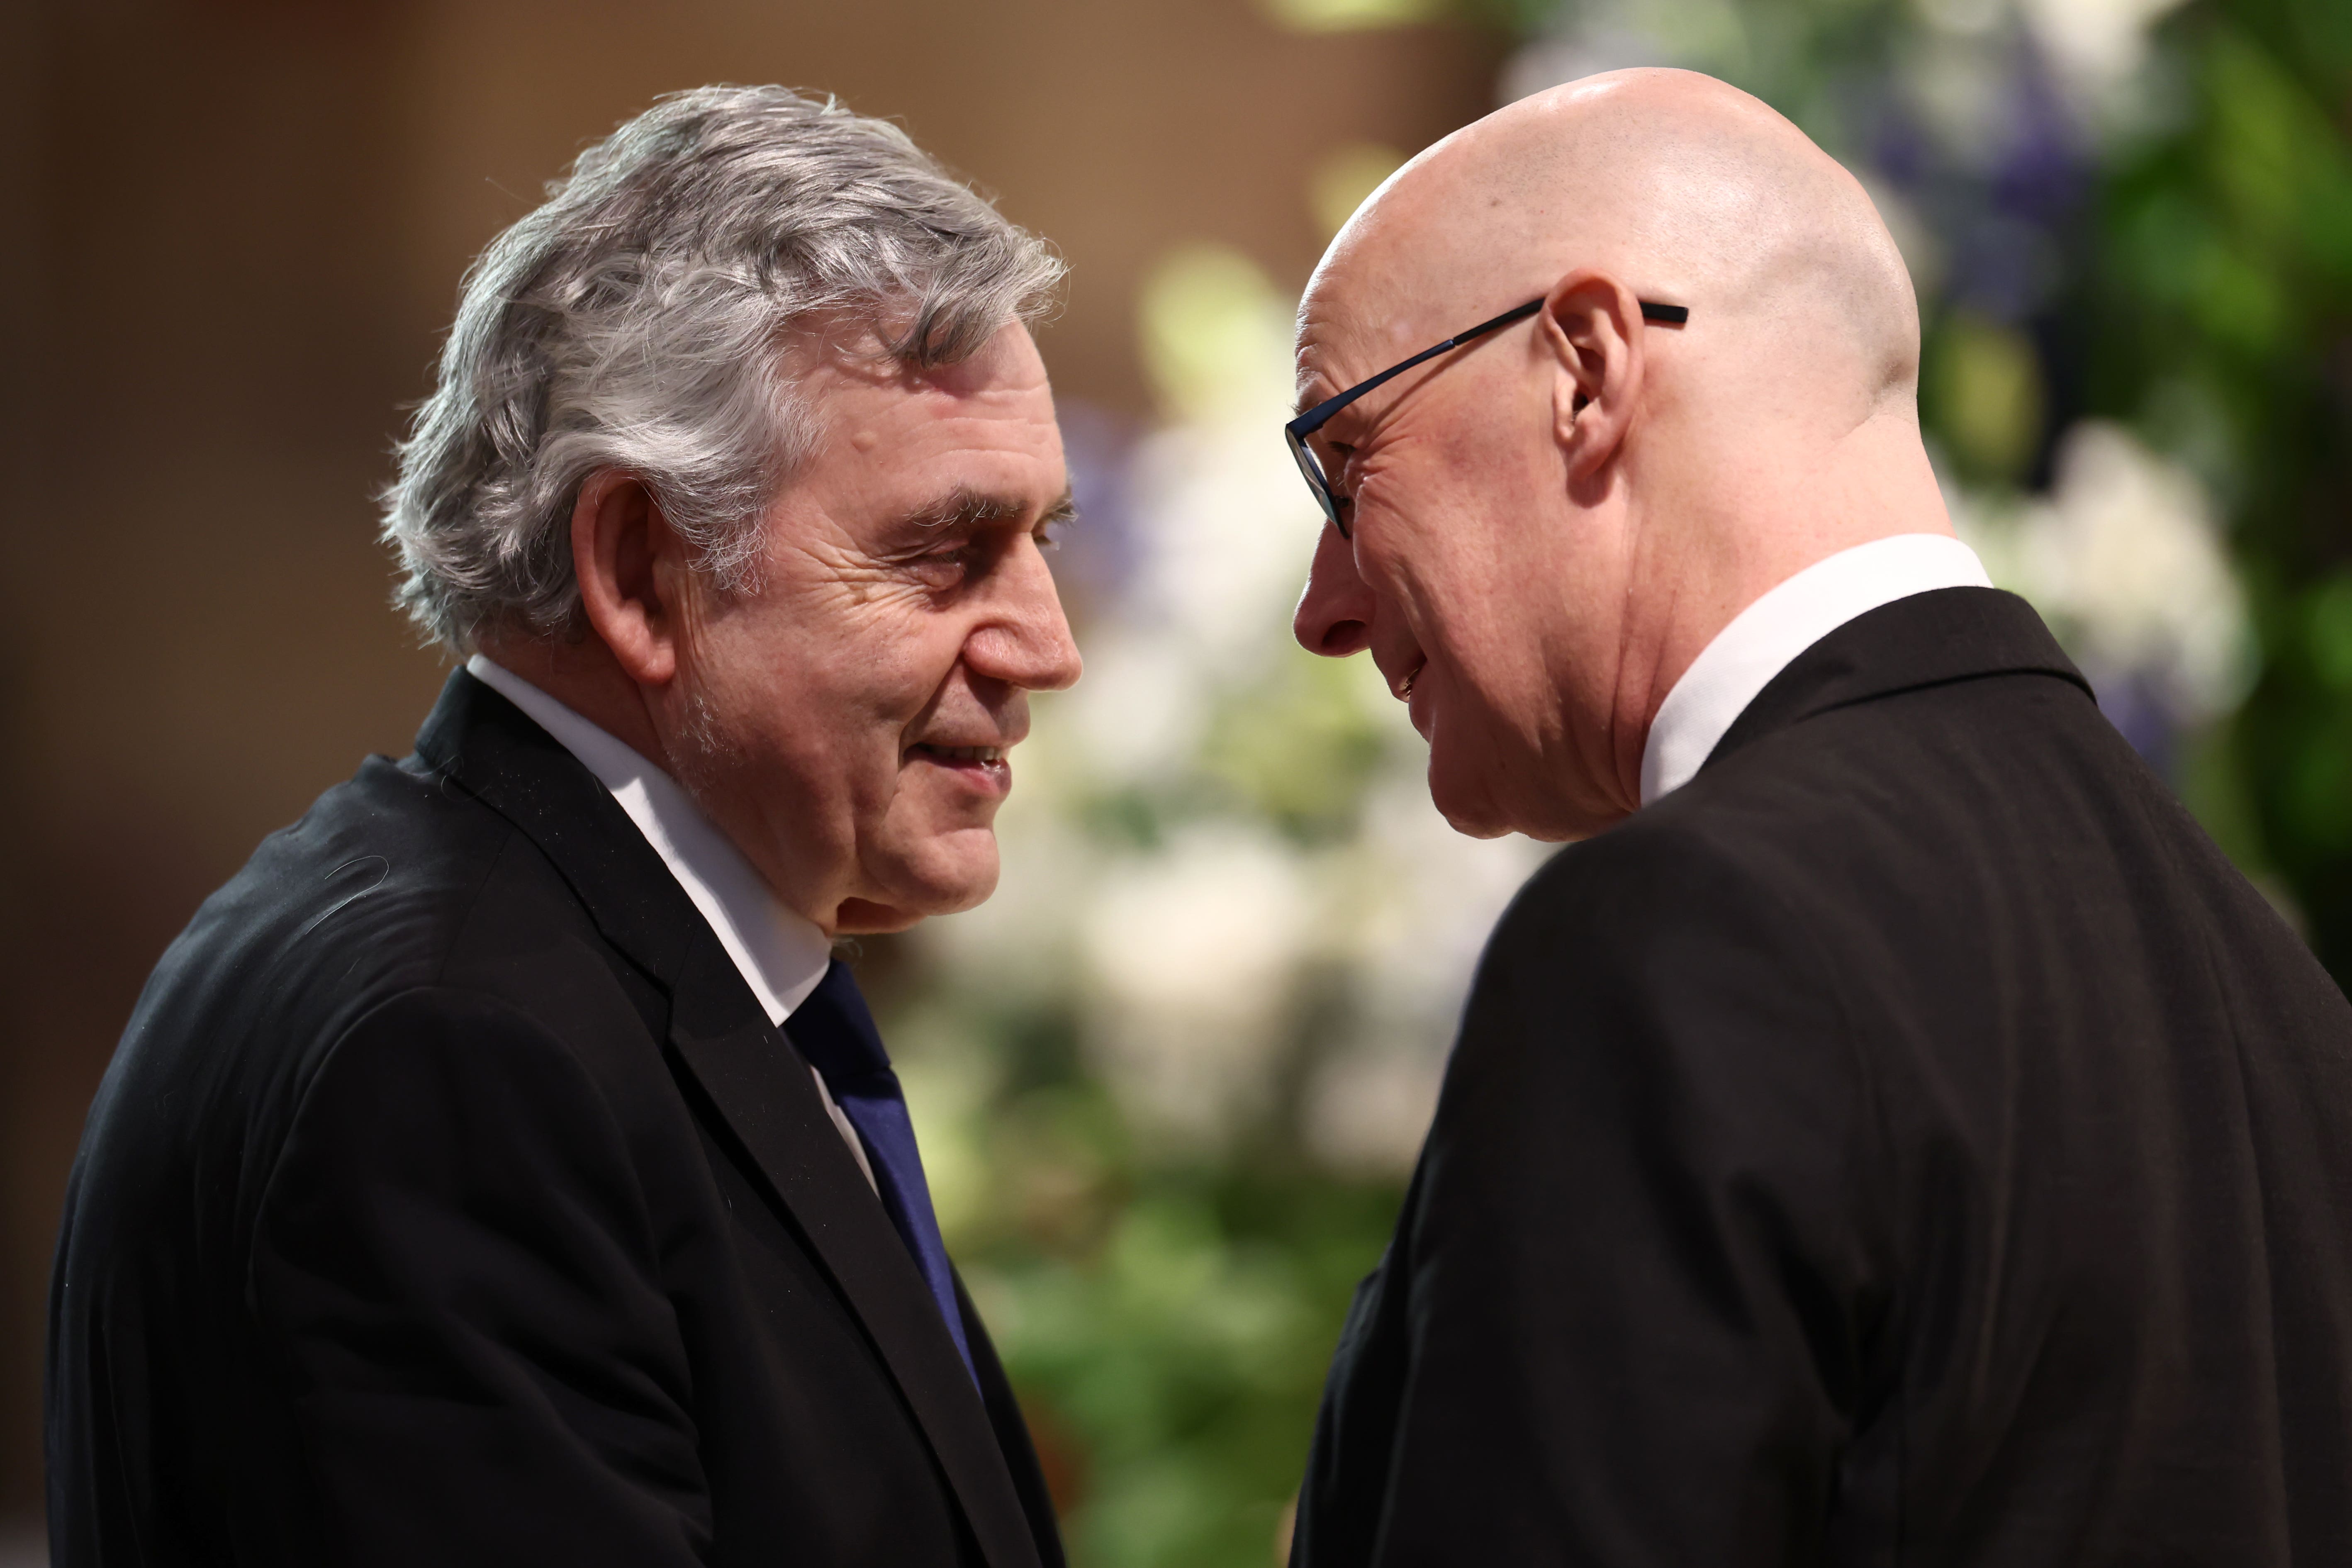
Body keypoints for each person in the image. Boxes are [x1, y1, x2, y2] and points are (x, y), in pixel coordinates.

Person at [1283, 68, 2352, 1566]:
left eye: (1342, 468)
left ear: (1585, 371)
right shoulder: (2279, 995)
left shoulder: (1686, 943)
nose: (1320, 610)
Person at [46, 86, 1079, 1568]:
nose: (1046, 645)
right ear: (639, 567)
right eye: (946, 551)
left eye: (1042, 542)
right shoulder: (459, 1057)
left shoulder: (539, 948)